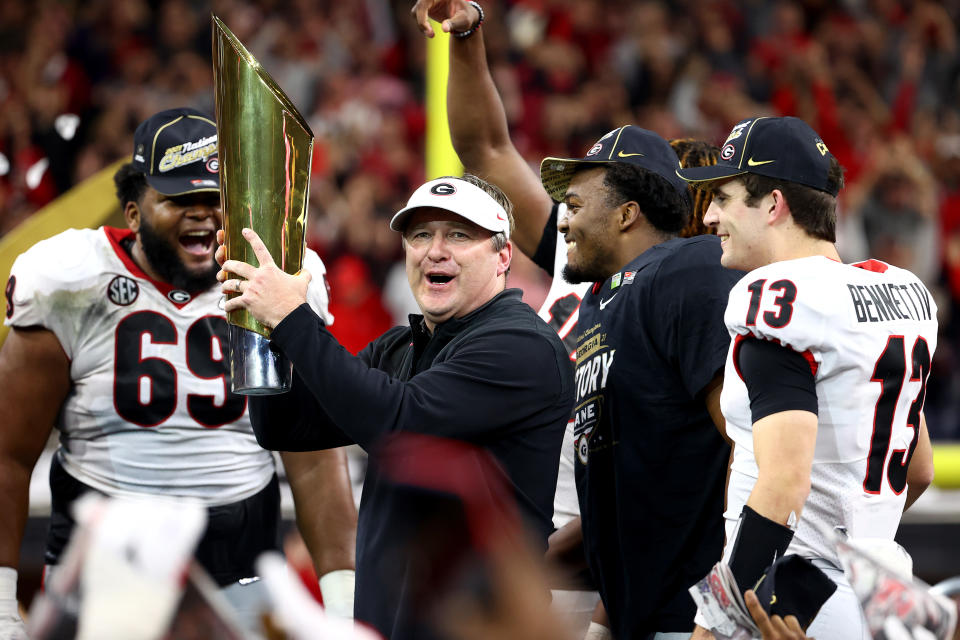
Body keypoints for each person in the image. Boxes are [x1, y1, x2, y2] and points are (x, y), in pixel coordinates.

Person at [412, 4, 728, 638]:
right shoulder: (585, 266)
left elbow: (688, 477)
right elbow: (485, 148)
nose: (565, 215)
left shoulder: (684, 289)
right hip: (560, 567)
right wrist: (468, 33)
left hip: (611, 585)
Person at [0, 107, 358, 637]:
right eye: (179, 200)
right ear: (133, 210)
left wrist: (343, 603)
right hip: (103, 571)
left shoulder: (278, 276)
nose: (204, 216)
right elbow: (8, 456)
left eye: (216, 200)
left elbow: (313, 461)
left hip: (241, 569)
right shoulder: (70, 279)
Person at [216, 173, 575, 640]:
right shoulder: (401, 345)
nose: (435, 250)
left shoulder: (521, 346)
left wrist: (293, 318)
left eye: (459, 235)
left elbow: (398, 426)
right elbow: (289, 428)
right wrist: (257, 323)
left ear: (503, 254)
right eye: (421, 234)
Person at [677, 116, 938, 639]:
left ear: (773, 205)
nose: (710, 218)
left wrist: (715, 624)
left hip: (794, 596)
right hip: (883, 589)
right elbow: (920, 470)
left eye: (724, 197)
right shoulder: (896, 290)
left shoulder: (777, 296)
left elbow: (783, 483)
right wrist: (856, 533)